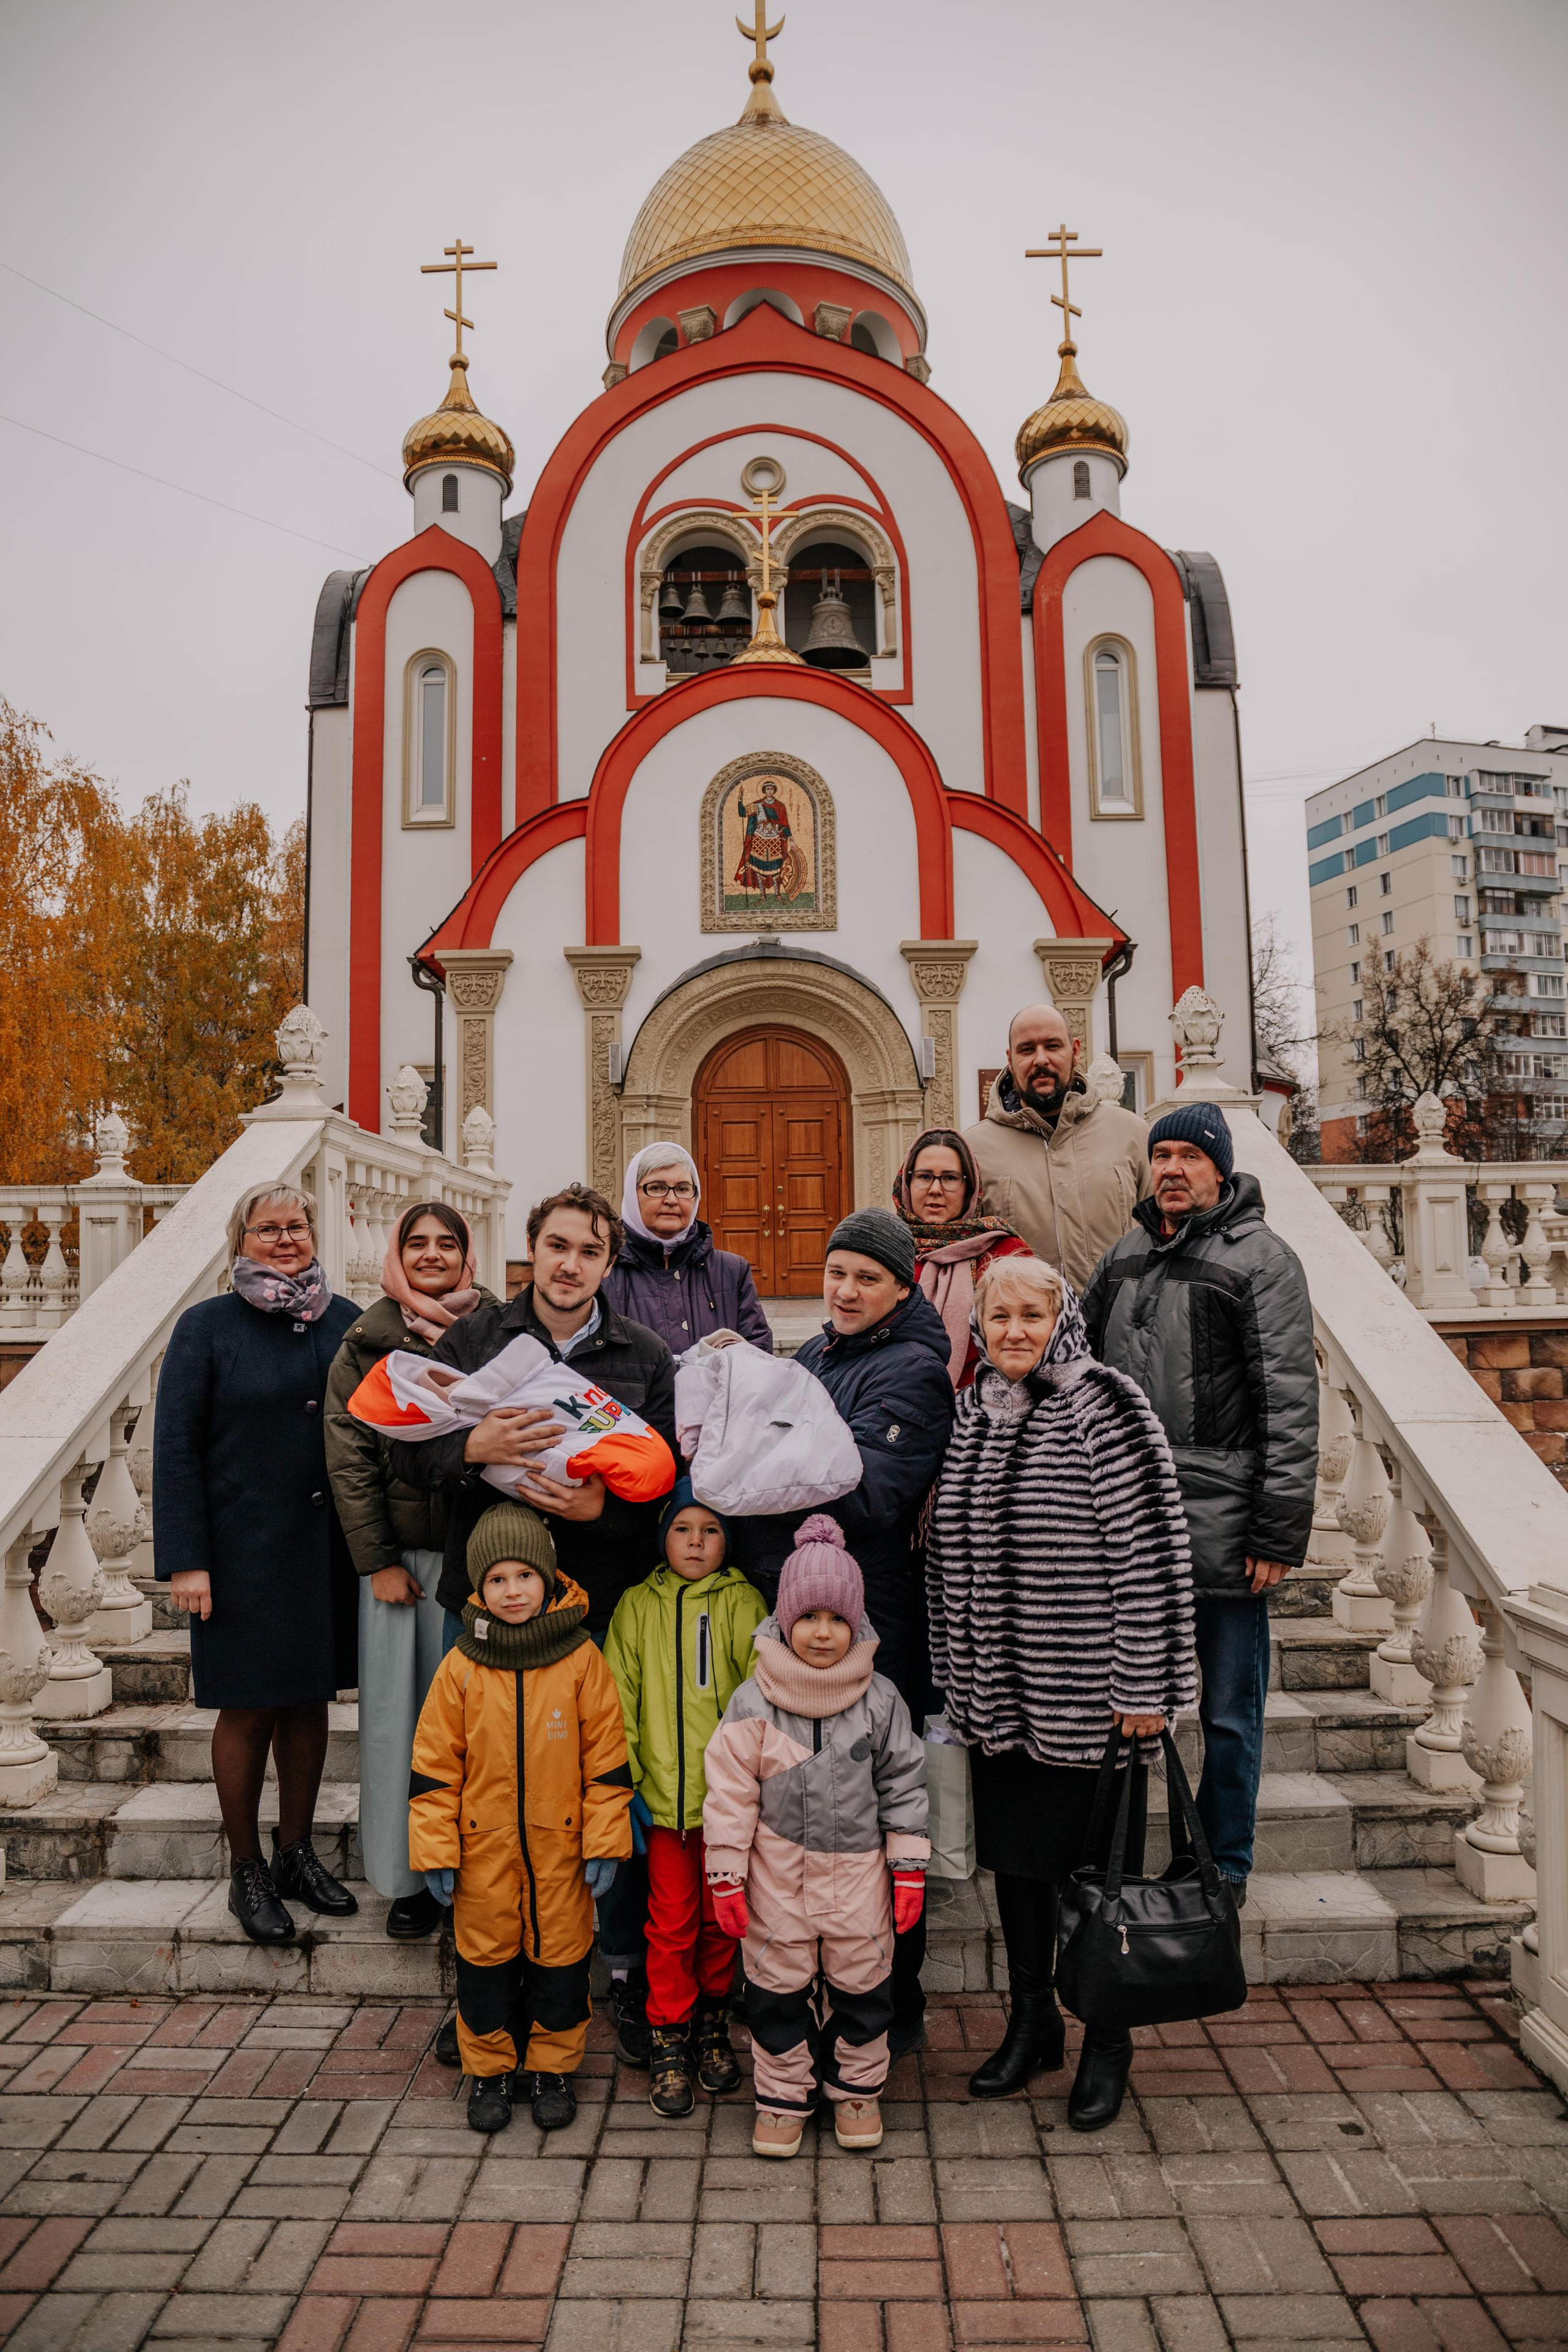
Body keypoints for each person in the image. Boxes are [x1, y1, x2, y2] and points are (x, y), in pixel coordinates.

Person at [387, 1180, 676, 2067]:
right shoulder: (479, 1337)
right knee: (484, 1799)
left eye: (590, 1251)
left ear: (608, 1261)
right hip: (487, 1616)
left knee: (600, 1796)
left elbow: (667, 1486)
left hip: (597, 1611)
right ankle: (487, 1995)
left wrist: (602, 1513)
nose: (571, 1264)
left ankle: (620, 1979)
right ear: (531, 1249)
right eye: (558, 1246)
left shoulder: (644, 1354)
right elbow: (406, 1448)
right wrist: (468, 1448)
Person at [925, 1253, 1196, 2130]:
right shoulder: (974, 1413)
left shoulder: (1104, 1406)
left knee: (1098, 1881)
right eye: (998, 1318)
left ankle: (1107, 2041)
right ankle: (1033, 2020)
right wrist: (956, 1675)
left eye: (1031, 1319)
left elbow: (1150, 1553)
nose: (1013, 1333)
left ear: (1062, 1323)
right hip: (1001, 1700)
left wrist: (1146, 1681)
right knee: (1020, 1872)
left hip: (1093, 1700)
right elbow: (950, 1553)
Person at [1080, 1099, 1317, 1910]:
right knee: (1128, 1708)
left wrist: (1278, 1529)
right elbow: (1076, 1376)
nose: (1172, 1169)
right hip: (1129, 1530)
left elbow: (1288, 1401)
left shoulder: (1264, 1260)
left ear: (1220, 1168)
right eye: (1161, 1155)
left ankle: (1222, 1869)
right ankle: (1119, 1867)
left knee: (1226, 1714)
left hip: (1223, 1529)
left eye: (1189, 1155)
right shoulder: (1123, 1256)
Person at [730, 1206, 954, 2056]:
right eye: (838, 1273)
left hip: (873, 1620)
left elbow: (867, 1492)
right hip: (806, 1613)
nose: (847, 1289)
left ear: (902, 1286)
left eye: (867, 1276)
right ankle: (814, 1993)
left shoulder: (915, 1370)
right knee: (803, 1811)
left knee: (873, 1814)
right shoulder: (820, 1354)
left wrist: (756, 1475)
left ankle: (892, 2004)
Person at [155, 1184, 359, 1945]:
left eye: (295, 1226)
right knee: (247, 1706)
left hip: (323, 1552)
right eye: (266, 1229)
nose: (284, 1239)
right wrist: (186, 1561)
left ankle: (295, 1853)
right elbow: (175, 1446)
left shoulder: (343, 1321)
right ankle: (245, 1868)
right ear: (241, 1239)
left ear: (314, 1233)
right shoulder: (207, 1328)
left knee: (309, 1703)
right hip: (238, 1555)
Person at [702, 1517, 929, 2158]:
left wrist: (908, 1865)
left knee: (863, 1987)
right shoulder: (753, 1703)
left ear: (855, 1624)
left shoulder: (881, 1701)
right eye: (808, 1618)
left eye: (836, 1619)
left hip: (859, 1877)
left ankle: (855, 2089)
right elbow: (729, 1794)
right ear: (784, 1623)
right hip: (777, 1876)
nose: (822, 1633)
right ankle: (782, 2097)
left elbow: (904, 1785)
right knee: (775, 1992)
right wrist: (726, 1874)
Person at [409, 1501, 633, 2136]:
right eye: (498, 1580)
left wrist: (605, 1839)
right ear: (479, 1587)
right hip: (483, 1855)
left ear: (549, 1578)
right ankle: (489, 2069)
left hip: (562, 1852)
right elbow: (433, 1769)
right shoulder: (460, 1667)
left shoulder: (581, 1659)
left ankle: (552, 2068)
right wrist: (436, 1850)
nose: (512, 1592)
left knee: (561, 1961)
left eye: (525, 1577)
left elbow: (606, 1762)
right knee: (483, 1964)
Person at [325, 1200, 497, 1941]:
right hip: (404, 1569)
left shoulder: (497, 1330)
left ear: (467, 1254)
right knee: (401, 1724)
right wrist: (379, 1562)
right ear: (397, 1252)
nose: (432, 1254)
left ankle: (479, 1872)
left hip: (483, 1561)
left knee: (478, 1730)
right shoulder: (368, 1340)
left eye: (447, 1243)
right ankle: (407, 1878)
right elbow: (350, 1459)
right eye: (417, 1242)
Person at [602, 1478, 768, 2118]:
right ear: (661, 1536)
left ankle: (710, 2023)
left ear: (729, 1540)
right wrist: (629, 1780)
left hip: (726, 1810)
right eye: (681, 1529)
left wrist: (752, 1783)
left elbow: (758, 1698)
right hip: (665, 1810)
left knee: (719, 1922)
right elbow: (618, 1700)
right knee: (670, 1923)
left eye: (710, 1530)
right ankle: (667, 2032)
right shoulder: (636, 1607)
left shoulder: (743, 1601)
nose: (695, 1542)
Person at [964, 1003, 1150, 1292]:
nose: (1041, 1059)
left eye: (1053, 1046)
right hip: (1024, 1331)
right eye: (1026, 1050)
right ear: (1010, 1059)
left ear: (1075, 1051)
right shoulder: (974, 1150)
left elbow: (1167, 1233)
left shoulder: (1132, 1133)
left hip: (1118, 1326)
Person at [601, 1142, 773, 1355]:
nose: (672, 1200)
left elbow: (759, 1350)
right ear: (632, 1195)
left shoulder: (731, 1270)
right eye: (657, 1188)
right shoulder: (602, 1269)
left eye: (683, 1189)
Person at [892, 1127, 1030, 1389]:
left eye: (950, 1178)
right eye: (924, 1176)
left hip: (987, 1409)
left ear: (970, 1187)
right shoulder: (887, 1247)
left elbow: (1035, 1335)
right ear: (906, 1183)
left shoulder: (1004, 1252)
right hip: (896, 1400)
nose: (935, 1189)